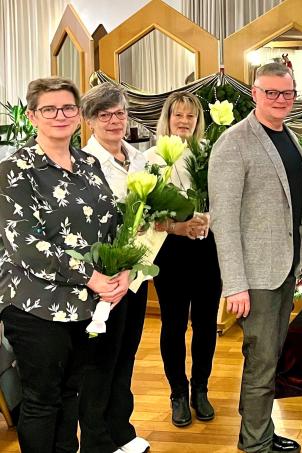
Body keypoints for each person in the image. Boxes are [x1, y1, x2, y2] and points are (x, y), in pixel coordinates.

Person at [0, 77, 128, 452]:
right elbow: (26, 245)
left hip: (88, 303)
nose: (60, 115)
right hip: (35, 304)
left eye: (68, 108)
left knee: (72, 391)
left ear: (78, 115)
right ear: (32, 115)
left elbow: (111, 223)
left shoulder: (89, 162)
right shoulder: (14, 170)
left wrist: (122, 268)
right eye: (49, 109)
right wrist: (92, 277)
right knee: (42, 401)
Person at [209, 62, 302, 453]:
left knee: (269, 356)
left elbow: (300, 196)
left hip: (285, 267)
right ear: (254, 93)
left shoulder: (288, 136)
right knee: (261, 360)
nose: (280, 100)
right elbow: (223, 221)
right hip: (255, 276)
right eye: (271, 92)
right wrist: (235, 283)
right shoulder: (234, 142)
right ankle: (256, 444)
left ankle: (256, 430)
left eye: (287, 93)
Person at [79, 82, 151, 453]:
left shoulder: (139, 159)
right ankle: (96, 441)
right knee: (100, 361)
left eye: (119, 113)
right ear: (90, 121)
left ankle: (121, 430)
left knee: (126, 354)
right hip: (103, 279)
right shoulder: (83, 165)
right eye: (104, 115)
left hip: (136, 275)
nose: (113, 121)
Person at [145, 91, 220, 428]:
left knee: (206, 324)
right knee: (173, 325)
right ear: (167, 118)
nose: (185, 121)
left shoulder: (210, 155)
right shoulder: (151, 159)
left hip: (207, 250)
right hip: (170, 252)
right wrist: (178, 227)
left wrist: (209, 220)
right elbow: (143, 215)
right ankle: (178, 392)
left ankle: (200, 389)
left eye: (191, 116)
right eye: (178, 115)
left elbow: (226, 200)